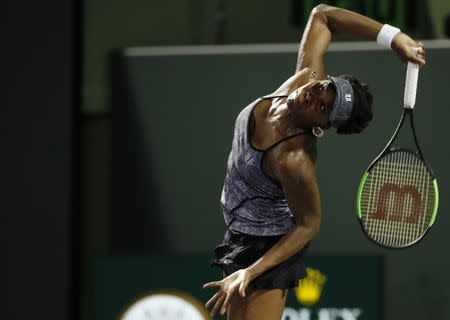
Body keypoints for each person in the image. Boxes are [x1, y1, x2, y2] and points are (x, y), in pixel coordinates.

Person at [203, 4, 426, 320]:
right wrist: (393, 37)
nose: (313, 95)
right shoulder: (304, 80)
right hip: (240, 228)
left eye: (323, 107)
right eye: (324, 87)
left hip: (268, 246)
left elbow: (309, 224)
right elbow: (323, 15)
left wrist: (251, 272)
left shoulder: (293, 160)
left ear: (320, 126)